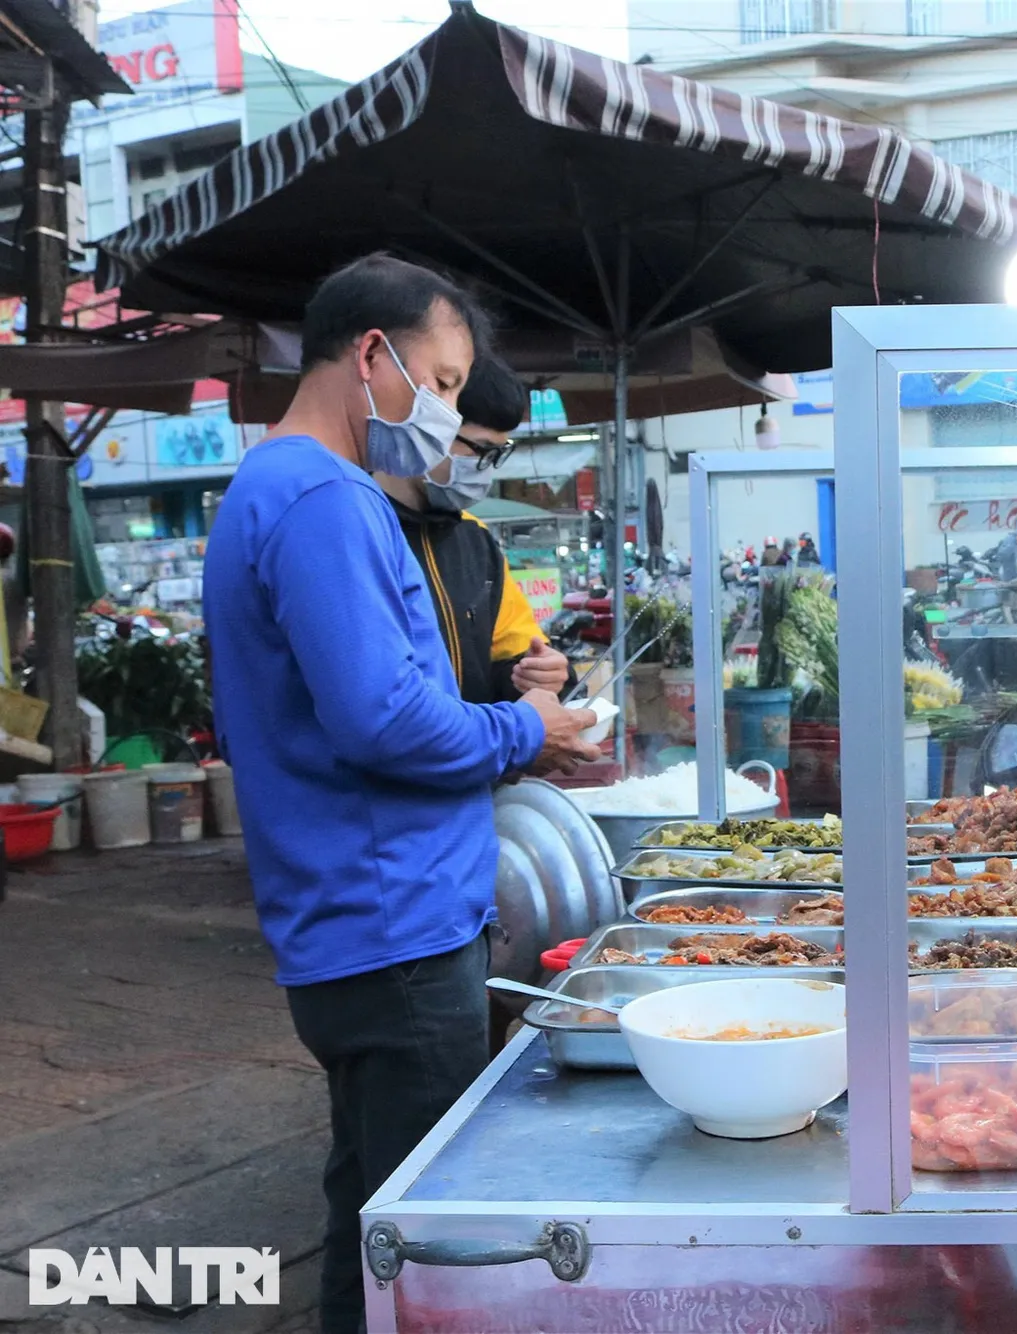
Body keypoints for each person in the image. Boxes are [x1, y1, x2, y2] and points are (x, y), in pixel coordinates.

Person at [202, 254, 601, 1334]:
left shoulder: (285, 490)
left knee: (372, 1208)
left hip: (363, 918)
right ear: (372, 355)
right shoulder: (323, 497)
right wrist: (529, 727)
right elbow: (382, 719)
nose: (448, 408)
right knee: (429, 1237)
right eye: (442, 377)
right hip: (393, 931)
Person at [374, 352, 571, 704]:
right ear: (428, 427)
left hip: (480, 752)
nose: (486, 469)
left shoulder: (474, 538)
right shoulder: (359, 529)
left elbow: (513, 651)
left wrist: (541, 673)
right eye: (481, 450)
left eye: (498, 454)